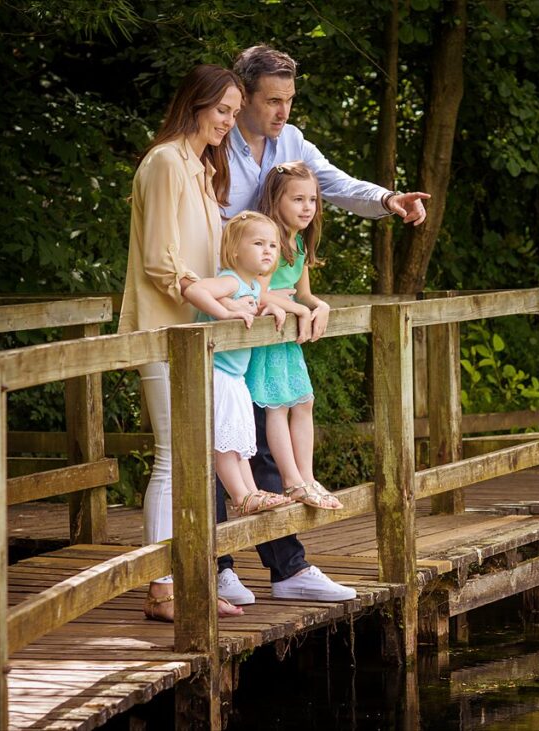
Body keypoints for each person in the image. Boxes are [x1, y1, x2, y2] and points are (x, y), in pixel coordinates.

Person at [215, 44, 430, 605]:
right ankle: (217, 567)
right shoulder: (215, 145)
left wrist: (387, 198)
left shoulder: (291, 143)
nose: (282, 112)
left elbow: (333, 183)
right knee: (223, 438)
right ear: (242, 100)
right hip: (221, 308)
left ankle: (287, 570)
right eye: (271, 100)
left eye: (289, 100)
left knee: (256, 438)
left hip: (268, 316)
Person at [118, 64, 251, 622]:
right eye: (222, 110)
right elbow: (158, 261)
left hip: (196, 332)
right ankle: (161, 588)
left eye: (234, 114)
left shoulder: (200, 168)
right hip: (164, 326)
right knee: (174, 459)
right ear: (194, 104)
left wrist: (243, 295)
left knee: (194, 459)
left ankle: (191, 580)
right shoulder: (166, 161)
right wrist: (214, 300)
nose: (228, 122)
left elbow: (209, 258)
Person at [182, 211, 294, 516]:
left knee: (239, 441)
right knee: (225, 443)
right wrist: (225, 313)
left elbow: (256, 305)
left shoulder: (253, 286)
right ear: (234, 251)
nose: (268, 250)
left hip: (236, 376)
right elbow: (194, 290)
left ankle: (251, 492)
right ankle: (240, 495)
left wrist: (270, 306)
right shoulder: (230, 281)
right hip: (218, 373)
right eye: (259, 243)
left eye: (272, 245)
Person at [250, 162, 343, 510]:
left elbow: (303, 293)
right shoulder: (267, 241)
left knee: (304, 402)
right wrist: (298, 310)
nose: (307, 208)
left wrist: (320, 307)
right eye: (298, 199)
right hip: (268, 335)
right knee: (277, 407)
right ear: (276, 201)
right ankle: (291, 481)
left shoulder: (299, 244)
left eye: (313, 200)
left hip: (287, 339)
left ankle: (307, 475)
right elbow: (255, 294)